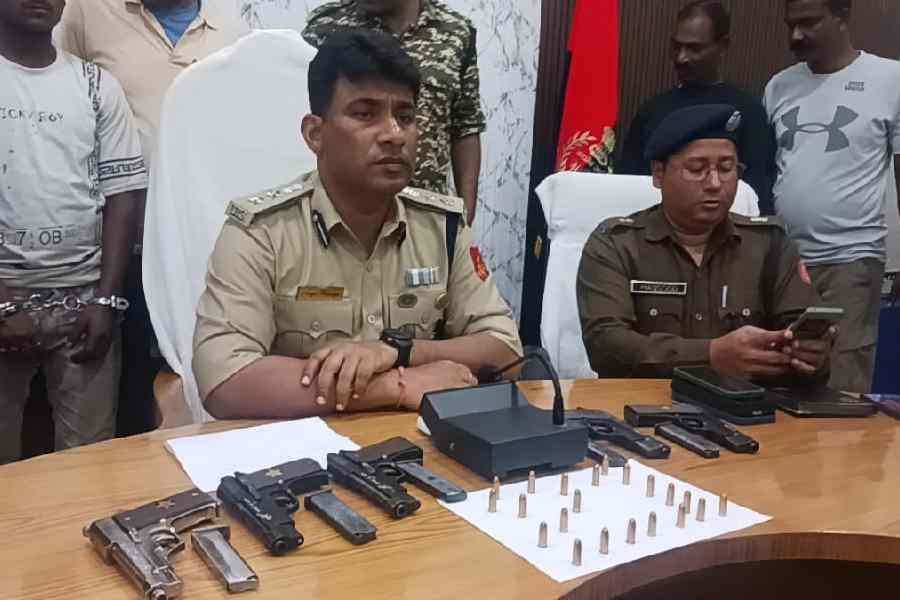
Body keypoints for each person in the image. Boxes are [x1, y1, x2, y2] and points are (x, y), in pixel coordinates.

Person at [192, 30, 521, 419]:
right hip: (299, 456)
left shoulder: (443, 228)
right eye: (365, 114)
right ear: (316, 134)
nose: (394, 135)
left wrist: (398, 352)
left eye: (406, 116)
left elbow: (507, 352)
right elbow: (224, 379)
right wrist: (397, 385)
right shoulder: (262, 231)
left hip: (424, 451)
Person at [56, 0, 249, 434]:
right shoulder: (87, 13)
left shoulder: (230, 22)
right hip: (123, 246)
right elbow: (59, 95)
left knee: (201, 378)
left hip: (207, 246)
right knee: (127, 393)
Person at [577, 104, 832, 381]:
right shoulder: (616, 244)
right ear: (659, 174)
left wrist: (810, 353)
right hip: (646, 407)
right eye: (697, 168)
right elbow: (605, 346)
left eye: (726, 168)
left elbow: (801, 333)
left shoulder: (769, 244)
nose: (714, 183)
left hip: (748, 410)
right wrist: (710, 356)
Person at [0, 0, 147, 463]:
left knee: (88, 466)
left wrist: (105, 300)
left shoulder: (96, 84)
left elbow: (124, 192)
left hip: (84, 309)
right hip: (5, 297)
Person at [764, 0, 900, 393]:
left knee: (841, 384)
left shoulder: (889, 80)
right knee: (782, 377)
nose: (796, 36)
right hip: (784, 264)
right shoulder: (778, 86)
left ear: (843, 17)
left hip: (850, 260)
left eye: (809, 23)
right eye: (791, 24)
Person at [303, 0, 485, 225]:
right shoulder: (325, 26)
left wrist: (463, 218)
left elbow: (466, 127)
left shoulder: (456, 32)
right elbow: (312, 119)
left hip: (426, 218)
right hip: (344, 220)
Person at [617, 0, 775, 214]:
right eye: (676, 46)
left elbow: (758, 194)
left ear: (723, 46)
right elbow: (627, 185)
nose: (681, 58)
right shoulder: (652, 111)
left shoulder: (748, 110)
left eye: (694, 48)